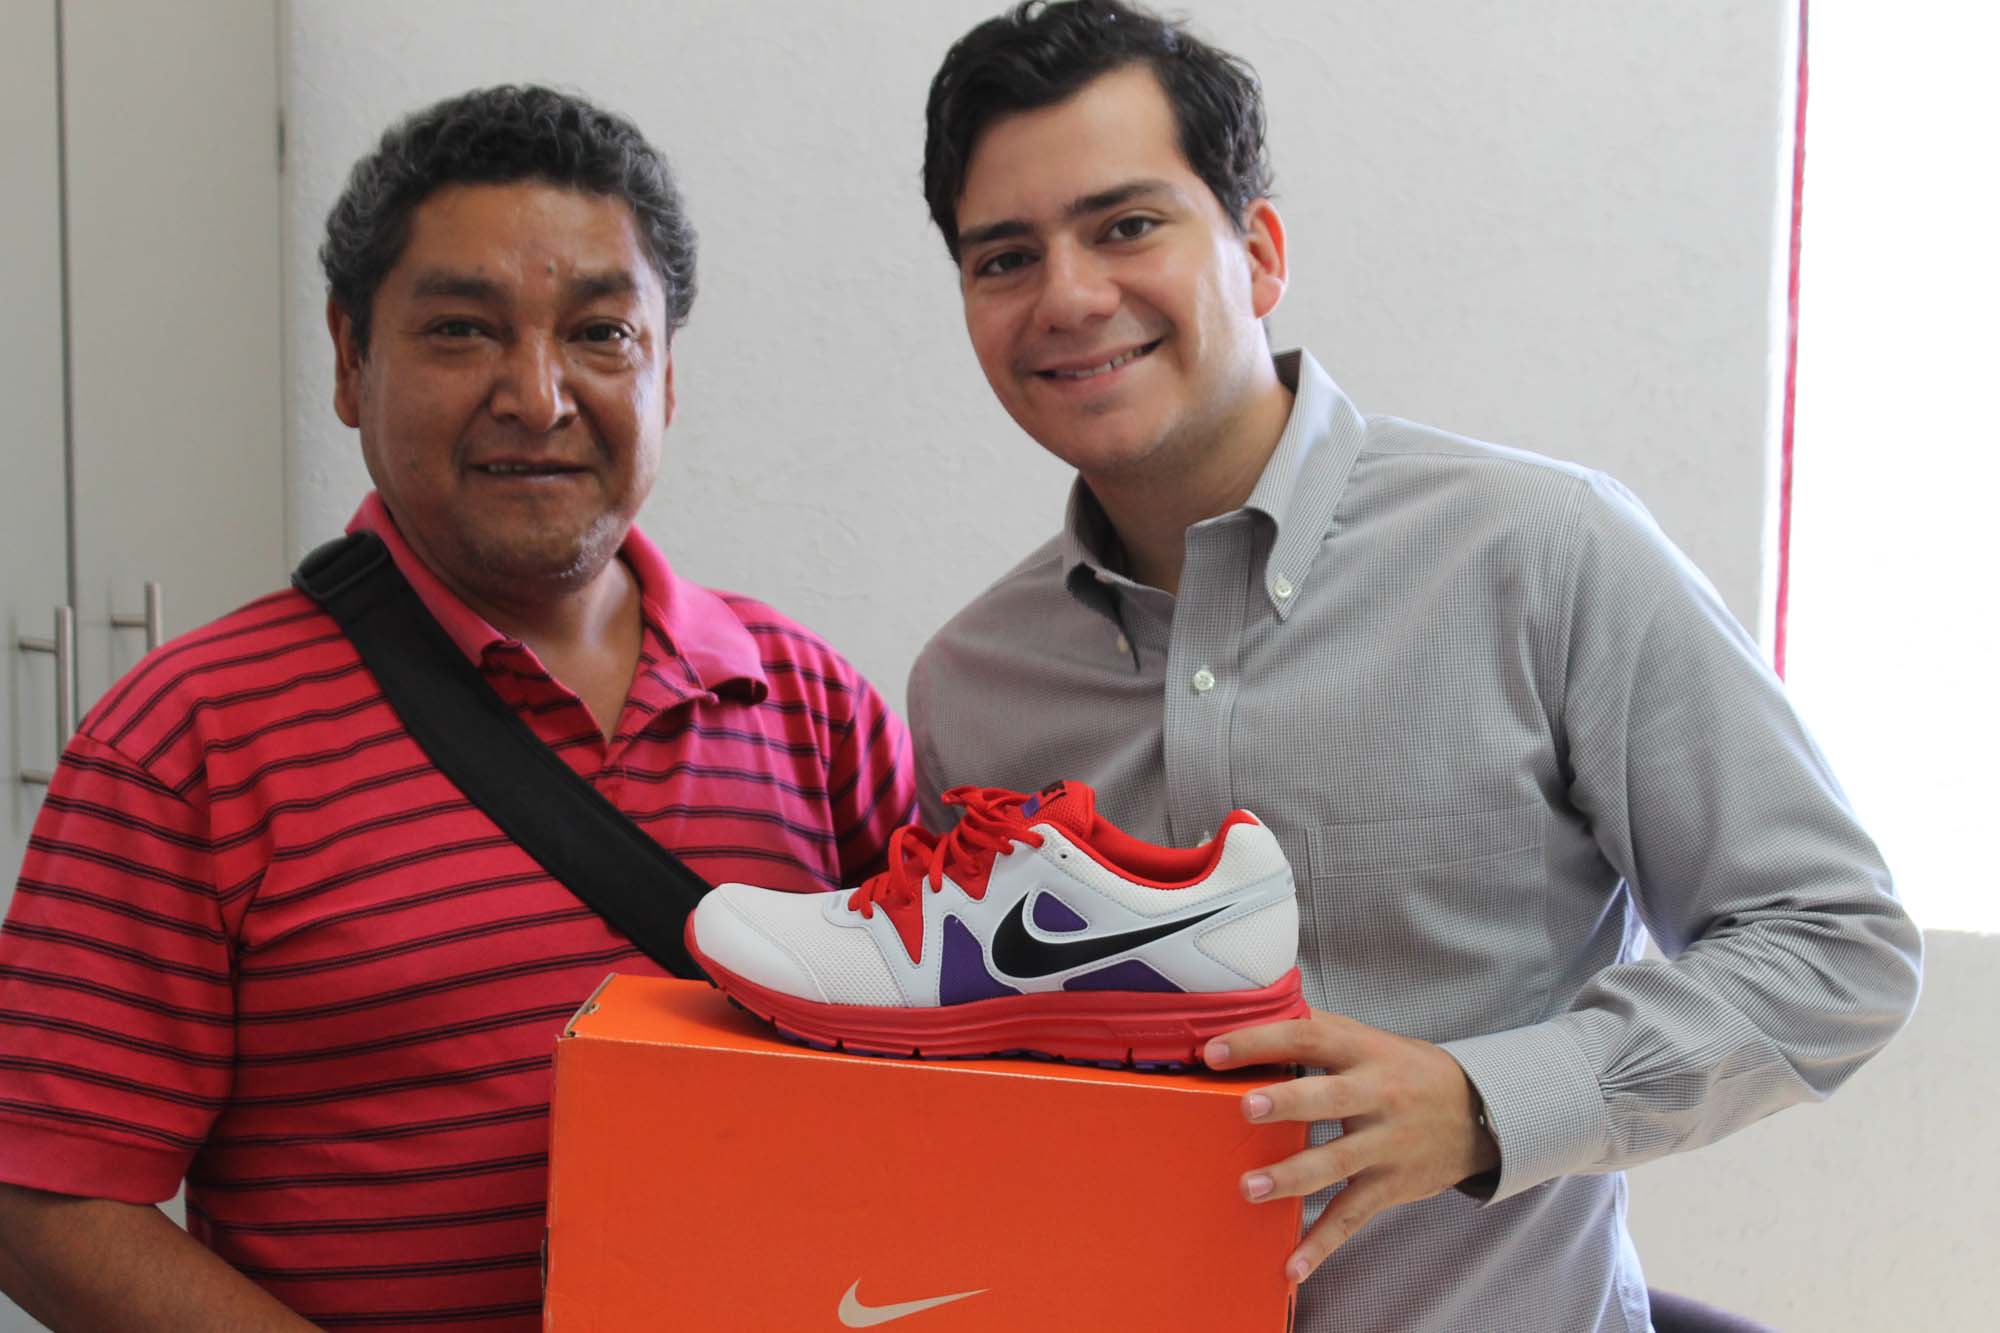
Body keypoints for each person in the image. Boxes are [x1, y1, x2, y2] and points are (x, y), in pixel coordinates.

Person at [906, 4, 1921, 1330]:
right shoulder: (970, 687)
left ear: (1258, 253)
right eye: (1004, 257)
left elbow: (1835, 946)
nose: (1069, 296)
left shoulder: (1542, 553)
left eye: (1127, 225)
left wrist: (1486, 1103)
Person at [0, 85, 913, 1330]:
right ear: (349, 359)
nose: (536, 396)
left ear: (666, 375)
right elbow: (43, 1200)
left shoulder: (812, 704)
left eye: (601, 332)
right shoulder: (186, 740)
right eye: (461, 331)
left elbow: (950, 1076)